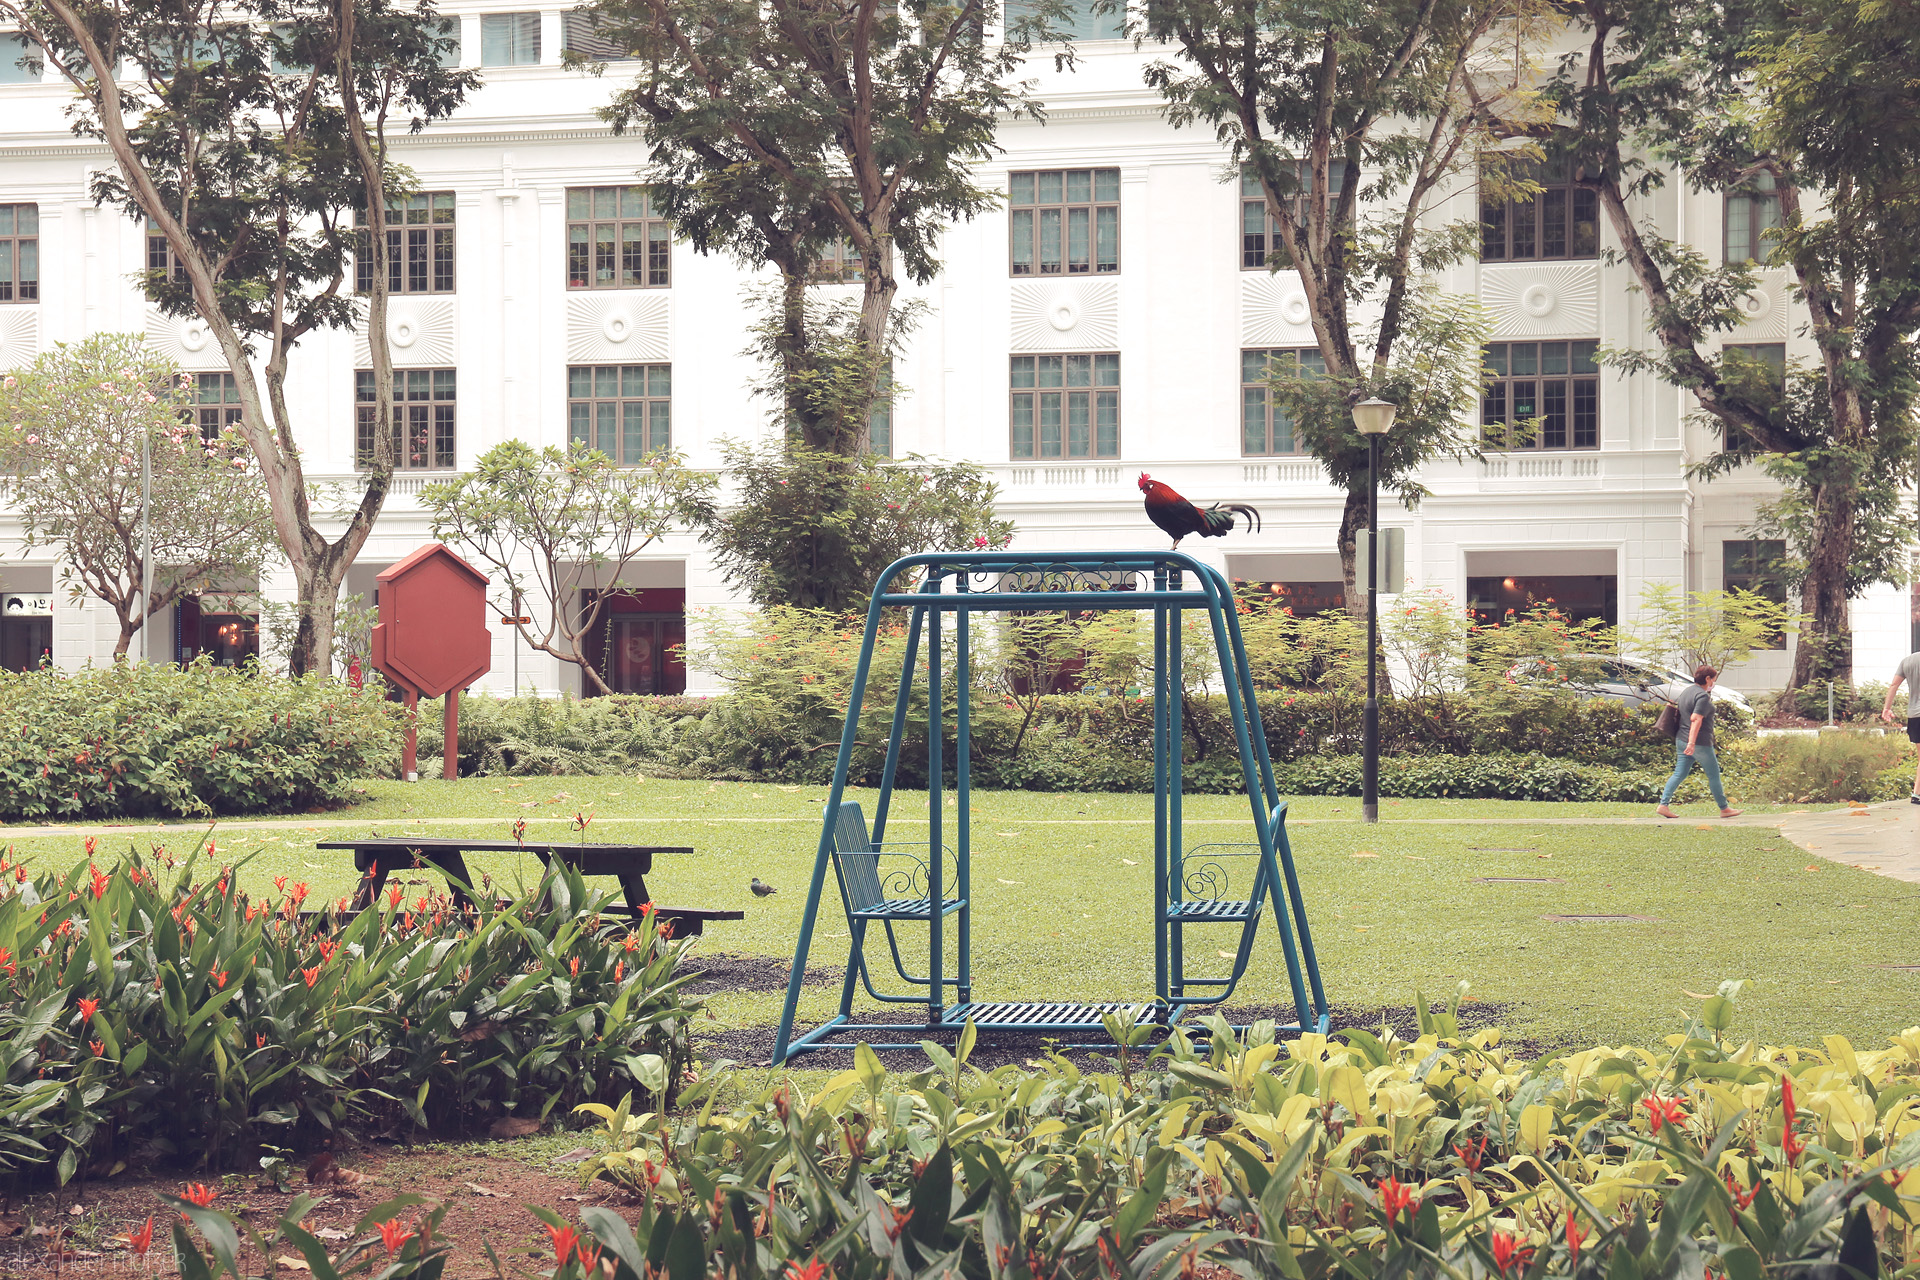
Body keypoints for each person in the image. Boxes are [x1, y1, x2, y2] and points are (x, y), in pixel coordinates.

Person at [1656, 664, 1742, 819]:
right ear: (1707, 678)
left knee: (1679, 773)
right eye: (1713, 680)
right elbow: (1695, 719)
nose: (1713, 683)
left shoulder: (1687, 691)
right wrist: (1692, 743)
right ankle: (1724, 809)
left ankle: (1663, 805)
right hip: (1698, 743)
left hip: (1681, 739)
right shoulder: (1702, 697)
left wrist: (1687, 742)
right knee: (1713, 775)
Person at [1877, 649, 1920, 802]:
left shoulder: (1907, 661)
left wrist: (1886, 708)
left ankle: (1917, 793)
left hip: (1914, 716)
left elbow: (1894, 685)